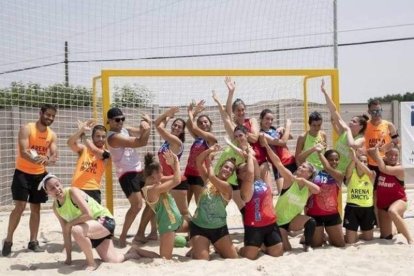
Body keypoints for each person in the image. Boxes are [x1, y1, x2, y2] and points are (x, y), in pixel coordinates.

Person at [40, 174, 158, 271]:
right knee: (113, 260)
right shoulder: (56, 208)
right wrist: (68, 259)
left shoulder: (72, 192)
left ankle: (91, 263)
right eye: (52, 188)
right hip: (92, 230)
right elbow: (65, 231)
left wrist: (70, 224)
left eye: (57, 185)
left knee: (76, 230)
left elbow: (88, 214)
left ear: (60, 183)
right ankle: (133, 252)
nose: (56, 189)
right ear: (47, 193)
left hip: (105, 221)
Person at [2, 104, 58, 256]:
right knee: (19, 206)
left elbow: (54, 156)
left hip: (40, 176)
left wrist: (47, 159)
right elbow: (24, 151)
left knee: (36, 208)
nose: (50, 118)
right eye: (48, 114)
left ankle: (33, 241)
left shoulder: (52, 134)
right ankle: (8, 240)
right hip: (22, 173)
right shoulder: (27, 128)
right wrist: (39, 160)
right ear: (40, 113)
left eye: (53, 116)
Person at [260, 135, 319, 251]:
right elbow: (278, 163)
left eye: (304, 167)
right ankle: (266, 243)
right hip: (278, 221)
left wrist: (302, 181)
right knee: (287, 249)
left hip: (292, 220)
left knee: (311, 222)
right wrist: (266, 145)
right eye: (301, 165)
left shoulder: (308, 188)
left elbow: (317, 190)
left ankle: (307, 244)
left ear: (309, 174)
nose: (300, 167)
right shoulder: (290, 179)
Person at [106, 107, 152, 247]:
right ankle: (123, 237)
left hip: (139, 170)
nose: (120, 122)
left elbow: (140, 132)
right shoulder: (113, 137)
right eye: (117, 120)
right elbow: (141, 142)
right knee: (137, 205)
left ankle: (146, 233)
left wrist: (144, 123)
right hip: (126, 173)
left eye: (122, 119)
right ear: (109, 121)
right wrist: (148, 127)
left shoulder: (125, 130)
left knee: (153, 199)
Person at [189, 145, 238, 260]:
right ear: (221, 167)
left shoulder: (227, 187)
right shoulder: (208, 180)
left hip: (219, 228)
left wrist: (210, 160)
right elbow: (198, 161)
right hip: (199, 226)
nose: (228, 170)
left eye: (231, 170)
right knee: (203, 260)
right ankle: (197, 247)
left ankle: (215, 246)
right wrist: (209, 150)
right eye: (226, 167)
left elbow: (211, 175)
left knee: (233, 258)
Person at [141, 150, 189, 259]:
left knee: (197, 225)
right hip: (168, 225)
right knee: (164, 257)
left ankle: (194, 245)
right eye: (160, 173)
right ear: (153, 175)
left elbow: (176, 176)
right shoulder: (152, 190)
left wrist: (172, 164)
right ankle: (137, 250)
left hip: (177, 221)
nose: (162, 175)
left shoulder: (155, 182)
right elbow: (177, 180)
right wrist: (176, 163)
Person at [238, 147, 284, 260]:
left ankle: (262, 245)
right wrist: (249, 156)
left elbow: (254, 166)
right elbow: (250, 173)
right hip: (254, 227)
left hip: (270, 224)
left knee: (277, 253)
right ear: (239, 176)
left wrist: (249, 151)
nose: (249, 170)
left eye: (247, 168)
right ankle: (239, 249)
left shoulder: (258, 180)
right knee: (250, 256)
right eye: (243, 170)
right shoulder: (245, 188)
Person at [321, 80, 368, 173]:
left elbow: (353, 145)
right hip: (333, 169)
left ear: (361, 126)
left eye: (354, 122)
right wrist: (325, 92)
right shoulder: (344, 131)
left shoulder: (361, 138)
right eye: (351, 120)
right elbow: (333, 110)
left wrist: (348, 130)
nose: (350, 122)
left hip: (346, 172)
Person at [369, 145, 413, 244]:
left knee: (392, 211)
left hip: (399, 200)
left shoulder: (399, 168)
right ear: (386, 155)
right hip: (382, 204)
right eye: (391, 155)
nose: (393, 157)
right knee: (386, 236)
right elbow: (369, 152)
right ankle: (395, 228)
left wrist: (378, 155)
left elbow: (384, 169)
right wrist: (379, 149)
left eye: (396, 155)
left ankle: (410, 239)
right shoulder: (382, 163)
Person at [306, 148, 345, 248]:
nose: (334, 162)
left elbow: (327, 168)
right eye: (331, 159)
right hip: (315, 214)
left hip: (332, 214)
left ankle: (327, 235)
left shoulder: (339, 175)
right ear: (325, 159)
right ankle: (317, 235)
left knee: (340, 244)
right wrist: (314, 149)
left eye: (336, 159)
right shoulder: (315, 173)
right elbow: (299, 159)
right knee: (316, 245)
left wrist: (319, 152)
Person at [67, 119, 110, 204]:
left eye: (103, 136)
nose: (101, 139)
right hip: (77, 188)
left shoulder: (107, 153)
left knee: (93, 216)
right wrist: (81, 130)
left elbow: (94, 150)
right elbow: (70, 143)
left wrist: (83, 135)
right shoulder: (84, 149)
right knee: (76, 216)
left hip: (93, 189)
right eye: (98, 136)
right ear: (92, 137)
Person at [185, 100, 217, 205]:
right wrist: (195, 112)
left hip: (200, 174)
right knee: (184, 204)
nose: (203, 124)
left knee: (200, 205)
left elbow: (193, 127)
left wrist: (190, 111)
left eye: (205, 122)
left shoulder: (211, 138)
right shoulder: (198, 137)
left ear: (210, 123)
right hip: (189, 172)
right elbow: (189, 124)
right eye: (200, 122)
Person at [259, 108, 296, 194]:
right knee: (283, 194)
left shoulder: (273, 129)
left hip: (290, 161)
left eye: (272, 119)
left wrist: (283, 129)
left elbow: (290, 136)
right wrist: (288, 126)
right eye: (267, 119)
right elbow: (283, 142)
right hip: (279, 165)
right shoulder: (262, 134)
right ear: (261, 119)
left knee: (295, 191)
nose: (270, 121)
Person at [343, 149, 376, 244]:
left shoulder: (372, 174)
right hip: (352, 208)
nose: (363, 163)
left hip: (367, 208)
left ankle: (355, 234)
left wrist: (356, 159)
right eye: (361, 161)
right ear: (356, 164)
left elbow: (369, 173)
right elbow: (348, 170)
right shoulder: (351, 173)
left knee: (368, 238)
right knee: (350, 241)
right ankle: (347, 235)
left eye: (365, 161)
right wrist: (354, 159)